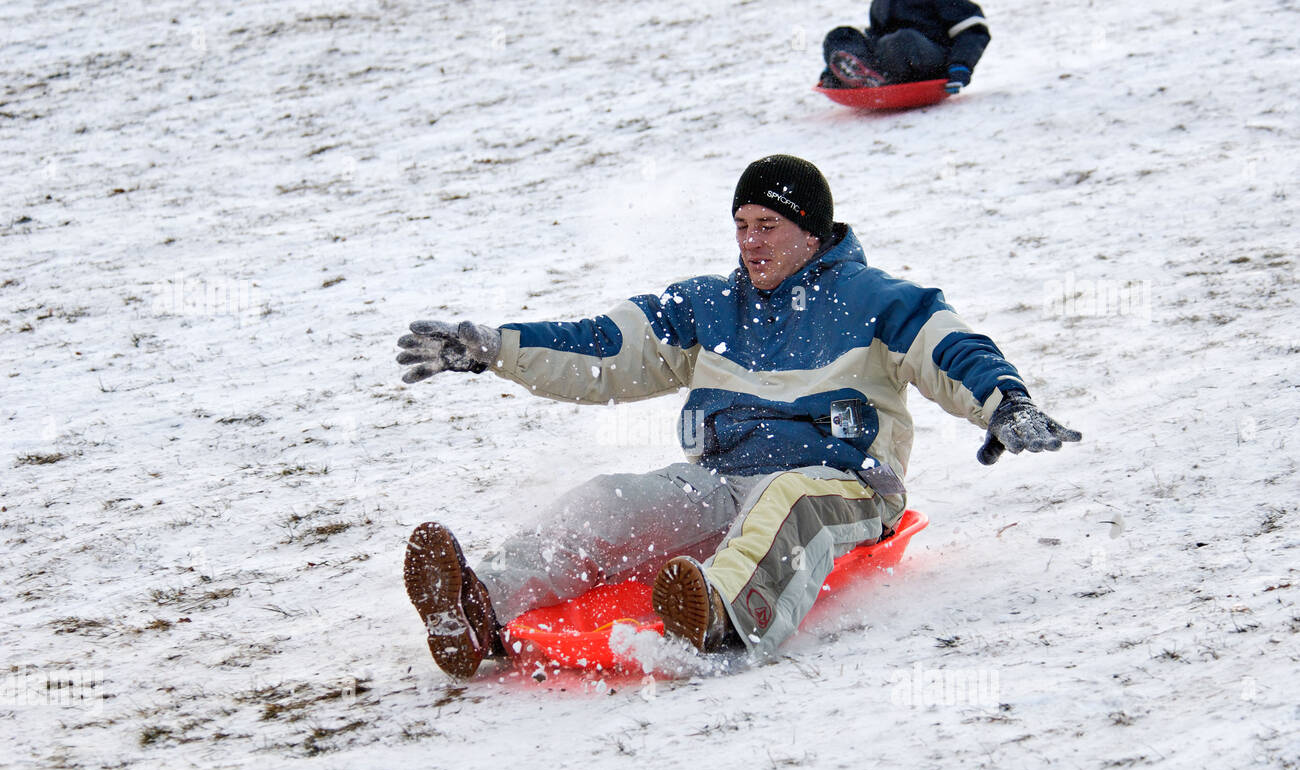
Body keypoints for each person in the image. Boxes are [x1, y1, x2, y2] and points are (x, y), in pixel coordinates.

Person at [397, 155, 1080, 679]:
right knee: (612, 499)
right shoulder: (710, 306)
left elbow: (947, 344)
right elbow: (603, 345)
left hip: (841, 482)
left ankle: (718, 618)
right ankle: (482, 605)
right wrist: (493, 348)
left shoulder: (873, 299)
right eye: (743, 226)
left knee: (787, 500)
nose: (752, 243)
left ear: (810, 233)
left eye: (769, 226)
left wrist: (1005, 402)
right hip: (723, 481)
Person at [820, 0, 991, 92]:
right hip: (890, 59)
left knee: (901, 39)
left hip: (928, 60)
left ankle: (874, 76)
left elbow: (972, 28)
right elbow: (876, 34)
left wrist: (960, 65)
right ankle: (855, 72)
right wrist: (845, 60)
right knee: (840, 35)